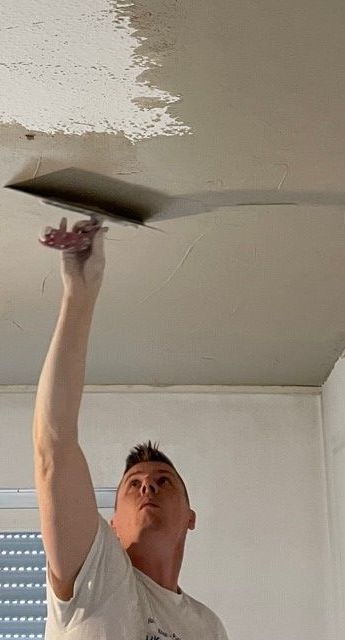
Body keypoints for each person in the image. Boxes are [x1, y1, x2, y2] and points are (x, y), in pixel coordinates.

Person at [33, 214, 229, 640]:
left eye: (163, 481)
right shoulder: (96, 573)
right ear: (112, 523)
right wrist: (79, 295)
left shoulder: (208, 627)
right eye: (133, 485)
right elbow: (55, 448)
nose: (148, 487)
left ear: (190, 517)